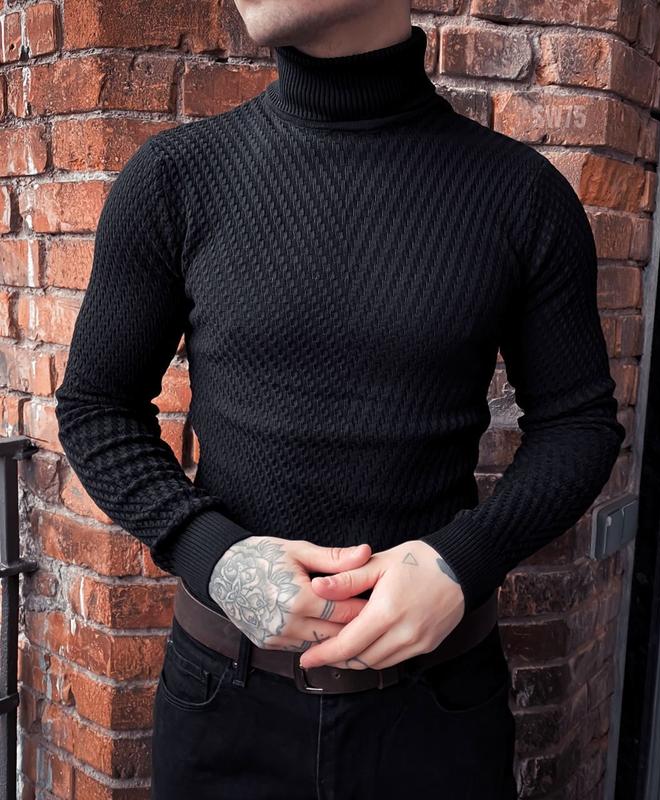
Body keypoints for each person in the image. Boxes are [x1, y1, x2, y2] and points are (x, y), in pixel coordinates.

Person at [54, 1, 625, 798]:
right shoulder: (176, 177)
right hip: (226, 708)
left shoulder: (520, 195)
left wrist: (465, 560)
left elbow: (578, 424)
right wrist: (213, 554)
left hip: (436, 716)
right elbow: (96, 406)